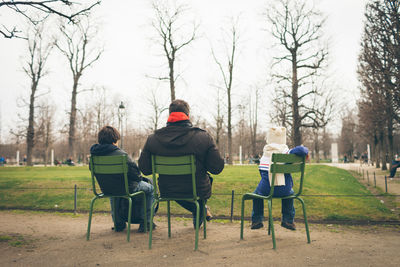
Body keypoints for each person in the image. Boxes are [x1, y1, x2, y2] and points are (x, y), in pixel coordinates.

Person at [138, 99, 224, 228]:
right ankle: (200, 209)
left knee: (177, 187)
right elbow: (217, 168)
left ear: (170, 115)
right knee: (205, 181)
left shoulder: (152, 139)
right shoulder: (203, 137)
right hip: (197, 188)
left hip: (167, 189)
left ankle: (199, 210)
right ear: (187, 116)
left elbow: (145, 169)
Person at [90, 126, 155, 232]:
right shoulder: (121, 155)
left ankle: (118, 224)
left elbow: (92, 170)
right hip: (127, 188)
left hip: (106, 189)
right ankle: (146, 223)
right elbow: (137, 175)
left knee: (114, 192)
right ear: (115, 140)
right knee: (151, 189)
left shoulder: (94, 156)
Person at [251, 127, 309, 231]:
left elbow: (261, 173)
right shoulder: (286, 152)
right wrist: (306, 151)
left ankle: (257, 220)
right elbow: (301, 149)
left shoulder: (265, 153)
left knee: (257, 194)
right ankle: (288, 220)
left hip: (266, 189)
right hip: (284, 190)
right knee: (289, 193)